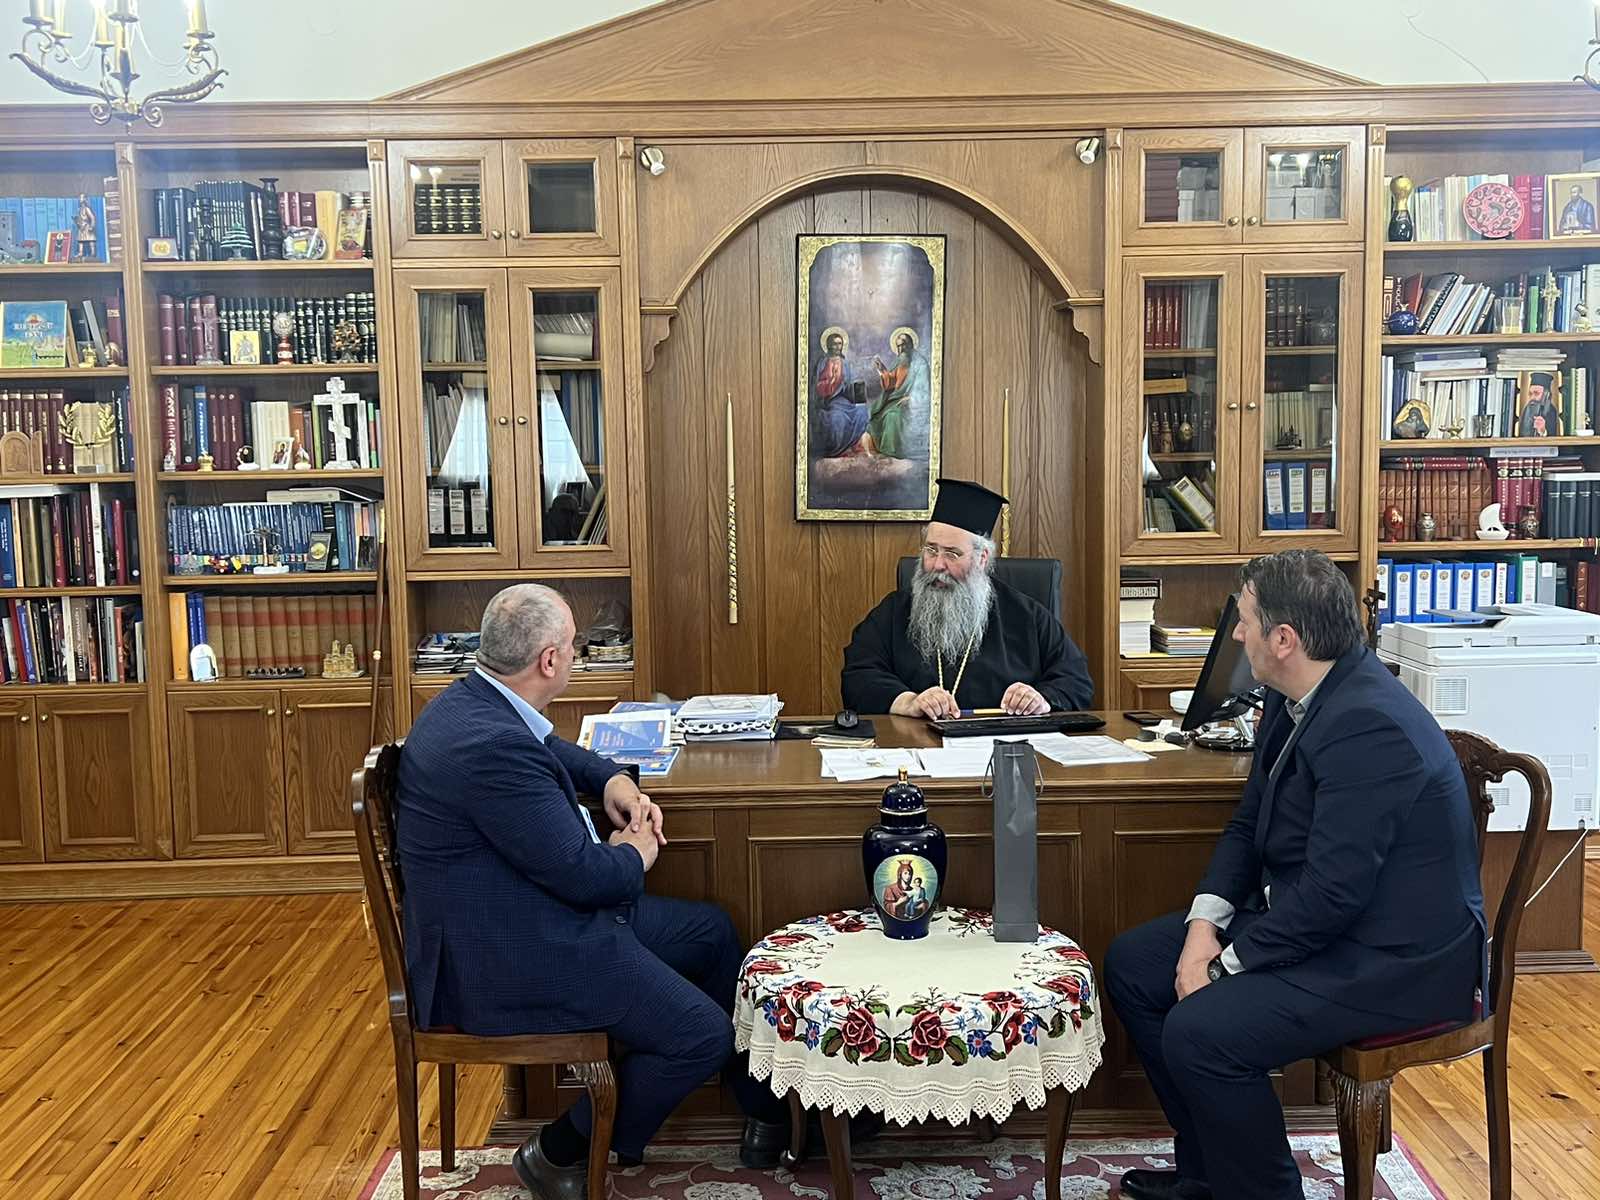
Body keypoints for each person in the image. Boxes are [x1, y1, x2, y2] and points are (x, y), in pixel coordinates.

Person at [1103, 550, 1486, 1200]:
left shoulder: (1370, 725)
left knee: (1201, 1032)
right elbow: (1249, 825)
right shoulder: (1295, 694)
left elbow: (1334, 896)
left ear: (1284, 639)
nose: (1236, 634)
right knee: (1136, 965)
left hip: (1395, 960)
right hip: (1323, 924)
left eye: (1245, 620)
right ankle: (1209, 1175)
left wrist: (1220, 970)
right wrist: (1202, 932)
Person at [396, 583, 793, 1196]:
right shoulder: (491, 747)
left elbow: (550, 749)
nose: (577, 654)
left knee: (712, 933)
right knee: (702, 1035)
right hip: (511, 956)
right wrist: (636, 854)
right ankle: (560, 1152)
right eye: (574, 645)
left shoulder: (473, 702)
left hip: (522, 918)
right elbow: (587, 878)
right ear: (549, 660)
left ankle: (762, 1111)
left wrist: (614, 781)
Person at [841, 477, 1094, 717]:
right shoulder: (895, 611)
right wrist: (907, 701)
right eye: (931, 550)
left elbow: (1076, 680)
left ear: (981, 559)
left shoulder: (1027, 616)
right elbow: (857, 675)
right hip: (917, 743)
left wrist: (1041, 699)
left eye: (952, 554)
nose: (937, 564)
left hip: (1004, 742)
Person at [813, 327, 873, 457]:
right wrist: (831, 384)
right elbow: (816, 385)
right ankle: (837, 450)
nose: (837, 346)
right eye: (834, 343)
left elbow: (851, 382)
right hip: (830, 401)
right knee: (837, 418)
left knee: (862, 410)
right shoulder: (822, 363)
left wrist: (856, 388)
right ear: (828, 345)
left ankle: (853, 445)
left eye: (839, 343)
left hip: (844, 399)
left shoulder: (845, 363)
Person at [869, 328, 920, 458]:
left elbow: (923, 387)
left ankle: (891, 451)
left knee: (892, 416)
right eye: (898, 346)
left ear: (910, 345)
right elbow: (891, 382)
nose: (901, 349)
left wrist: (911, 397)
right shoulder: (899, 361)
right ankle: (882, 450)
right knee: (877, 415)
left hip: (908, 399)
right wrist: (882, 369)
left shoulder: (919, 363)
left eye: (903, 345)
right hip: (894, 399)